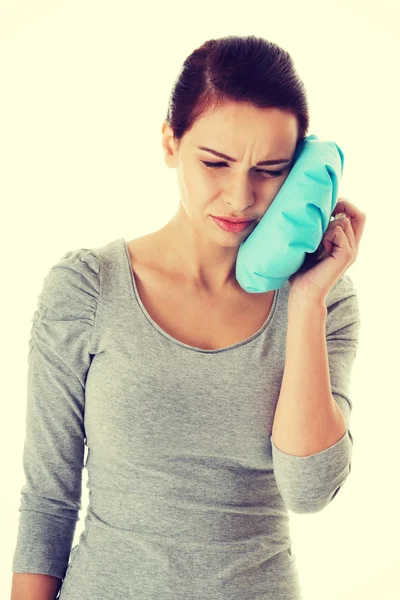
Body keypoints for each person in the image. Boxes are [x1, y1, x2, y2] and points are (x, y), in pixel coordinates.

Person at [10, 35, 360, 600]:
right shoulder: (86, 288)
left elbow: (310, 490)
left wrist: (306, 302)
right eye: (216, 163)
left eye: (270, 170)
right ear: (171, 141)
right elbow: (48, 502)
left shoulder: (327, 303)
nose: (241, 197)